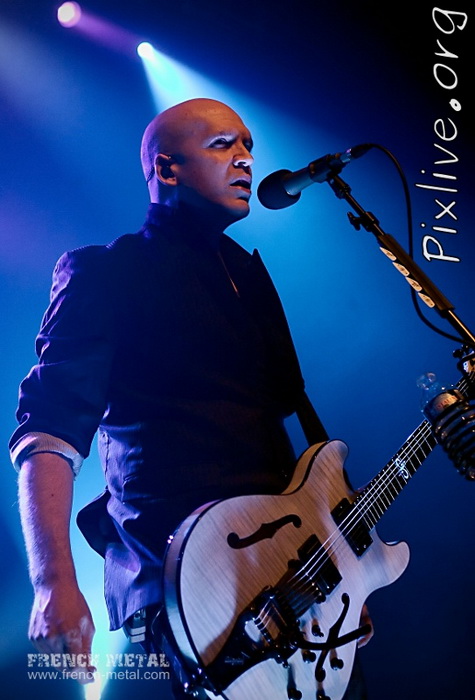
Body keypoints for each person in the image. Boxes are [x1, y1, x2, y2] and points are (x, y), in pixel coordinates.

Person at [9, 98, 370, 698]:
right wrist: (52, 583)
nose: (246, 158)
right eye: (223, 144)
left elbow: (290, 447)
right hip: (180, 590)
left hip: (291, 588)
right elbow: (48, 428)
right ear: (167, 169)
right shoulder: (108, 272)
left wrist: (343, 575)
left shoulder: (248, 275)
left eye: (249, 144)